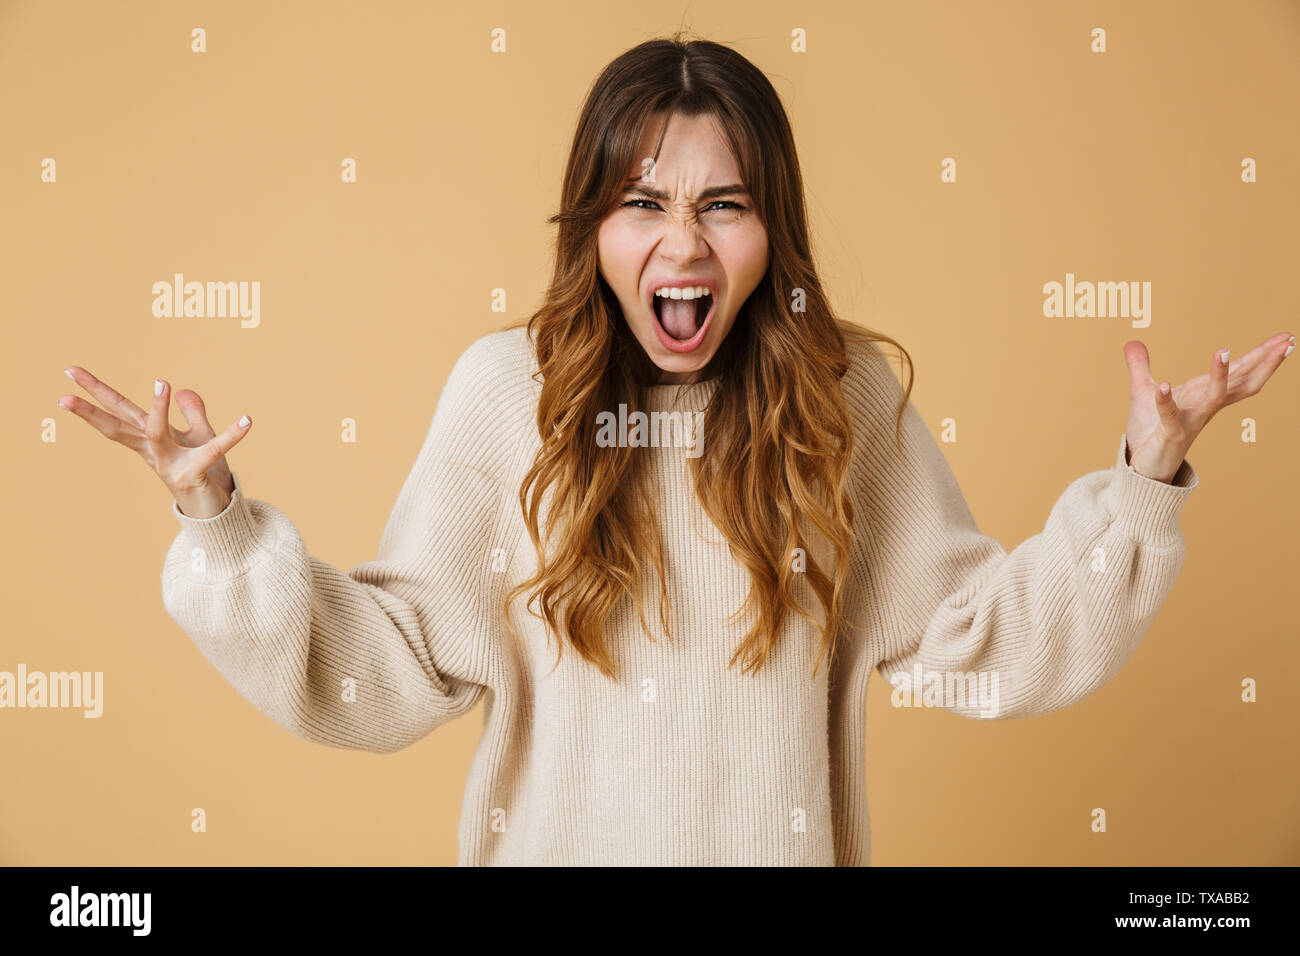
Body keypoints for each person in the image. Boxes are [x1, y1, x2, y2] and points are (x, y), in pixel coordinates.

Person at [55, 35, 1292, 866]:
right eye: (642, 203)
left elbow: (986, 642)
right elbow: (381, 669)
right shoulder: (510, 394)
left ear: (771, 229)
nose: (682, 244)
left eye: (724, 204)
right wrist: (218, 520)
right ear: (594, 224)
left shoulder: (837, 399)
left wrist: (1140, 483)